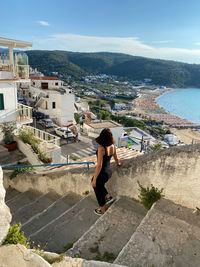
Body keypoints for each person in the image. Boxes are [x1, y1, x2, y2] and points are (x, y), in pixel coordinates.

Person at [91, 128, 121, 216]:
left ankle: (103, 210)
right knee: (99, 185)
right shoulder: (113, 147)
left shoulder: (101, 149)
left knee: (96, 187)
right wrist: (118, 163)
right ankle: (108, 196)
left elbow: (99, 165)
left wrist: (95, 179)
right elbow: (116, 158)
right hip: (109, 172)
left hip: (102, 172)